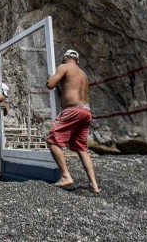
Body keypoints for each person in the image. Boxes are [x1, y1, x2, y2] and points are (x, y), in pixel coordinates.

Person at [44, 50, 100, 193]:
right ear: (78, 61)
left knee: (52, 140)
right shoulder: (83, 74)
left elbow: (50, 84)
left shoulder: (64, 67)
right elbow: (72, 88)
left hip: (72, 110)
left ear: (65, 58)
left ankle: (65, 176)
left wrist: (51, 79)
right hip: (86, 111)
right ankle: (94, 184)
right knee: (81, 148)